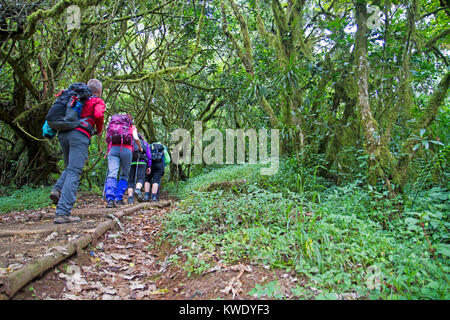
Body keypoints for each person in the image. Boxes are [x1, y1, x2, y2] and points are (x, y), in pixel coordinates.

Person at [50, 79, 106, 224]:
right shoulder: (97, 101)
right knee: (74, 172)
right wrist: (99, 130)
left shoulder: (74, 97)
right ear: (99, 91)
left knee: (69, 168)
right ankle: (62, 213)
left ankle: (57, 189)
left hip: (63, 134)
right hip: (79, 136)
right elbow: (99, 115)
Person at [104, 114, 143, 208]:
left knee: (112, 173)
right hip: (127, 150)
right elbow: (136, 138)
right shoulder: (131, 126)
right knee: (124, 174)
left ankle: (110, 199)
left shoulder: (111, 126)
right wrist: (140, 147)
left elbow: (106, 139)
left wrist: (109, 148)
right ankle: (118, 198)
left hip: (113, 149)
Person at [127, 133, 152, 204]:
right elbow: (149, 155)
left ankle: (130, 199)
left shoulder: (130, 143)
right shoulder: (144, 143)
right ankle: (137, 189)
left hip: (131, 163)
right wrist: (149, 166)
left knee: (131, 181)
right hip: (142, 162)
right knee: (141, 179)